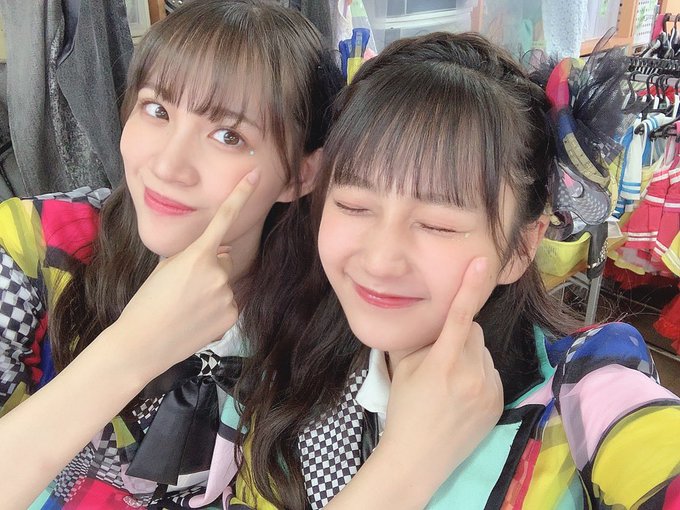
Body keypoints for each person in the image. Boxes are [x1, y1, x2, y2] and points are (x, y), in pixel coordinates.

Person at [232, 32, 680, 508]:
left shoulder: (586, 398)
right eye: (354, 206)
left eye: (437, 224)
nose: (380, 260)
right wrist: (406, 466)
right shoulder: (292, 369)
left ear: (521, 246)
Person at [0, 0, 343, 507]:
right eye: (157, 110)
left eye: (228, 136)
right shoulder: (38, 247)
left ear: (300, 174)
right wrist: (134, 349)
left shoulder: (324, 327)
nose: (166, 166)